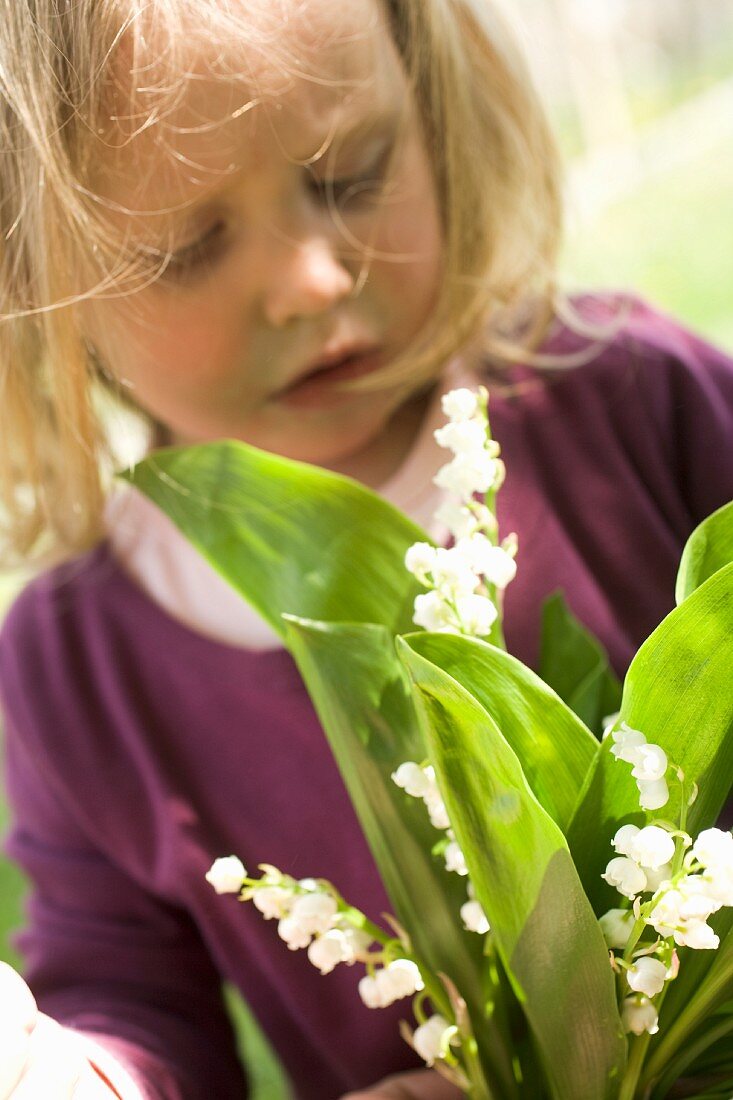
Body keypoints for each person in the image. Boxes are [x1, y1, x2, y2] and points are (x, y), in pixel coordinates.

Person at [0, 1, 731, 1097]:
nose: (313, 278)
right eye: (184, 248)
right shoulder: (77, 671)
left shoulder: (633, 403)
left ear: (428, 108)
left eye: (351, 173)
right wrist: (69, 1072)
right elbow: (133, 1008)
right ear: (40, 293)